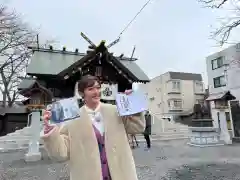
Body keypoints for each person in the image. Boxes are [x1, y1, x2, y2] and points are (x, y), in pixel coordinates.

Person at [41, 75, 145, 180]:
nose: (96, 92)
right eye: (91, 89)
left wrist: (134, 106)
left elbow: (137, 128)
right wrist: (51, 132)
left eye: (98, 87)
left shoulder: (115, 111)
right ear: (82, 93)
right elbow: (61, 154)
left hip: (121, 174)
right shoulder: (72, 118)